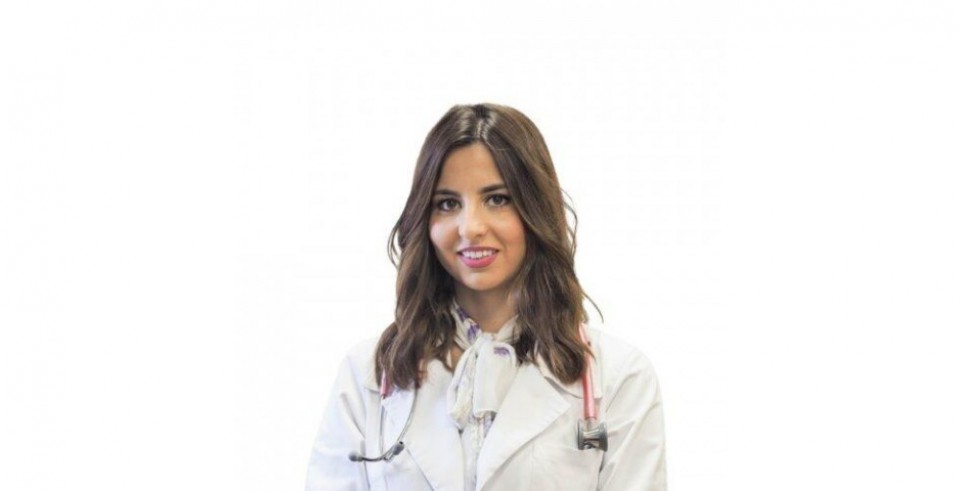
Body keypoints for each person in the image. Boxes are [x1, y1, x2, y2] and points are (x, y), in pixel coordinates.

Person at [305, 103, 667, 490]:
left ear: (536, 209)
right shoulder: (367, 375)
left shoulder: (619, 378)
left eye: (497, 199)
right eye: (448, 204)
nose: (471, 227)